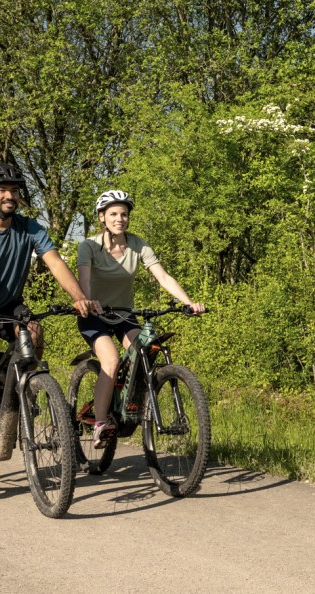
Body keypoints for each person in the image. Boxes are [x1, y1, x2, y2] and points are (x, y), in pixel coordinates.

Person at [0, 163, 98, 485]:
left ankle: (20, 395)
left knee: (35, 331)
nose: (9, 195)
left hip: (8, 305)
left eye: (14, 190)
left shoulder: (29, 228)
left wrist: (79, 296)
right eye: (1, 190)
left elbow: (54, 262)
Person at [75, 189, 206, 447]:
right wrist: (90, 301)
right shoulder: (89, 246)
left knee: (145, 351)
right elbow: (84, 281)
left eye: (124, 214)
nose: (119, 218)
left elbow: (163, 277)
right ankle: (101, 423)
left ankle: (129, 403)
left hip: (124, 315)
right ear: (102, 217)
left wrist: (188, 302)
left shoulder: (138, 245)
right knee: (110, 361)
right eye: (113, 213)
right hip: (94, 316)